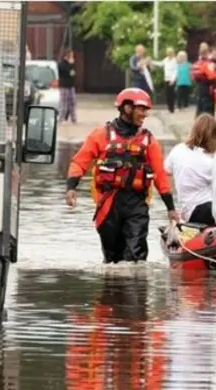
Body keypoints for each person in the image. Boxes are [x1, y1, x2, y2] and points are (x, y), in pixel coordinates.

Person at [65, 88, 179, 263]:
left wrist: (170, 208)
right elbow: (80, 161)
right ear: (127, 108)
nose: (145, 114)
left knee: (136, 255)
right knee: (112, 258)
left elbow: (160, 177)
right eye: (141, 109)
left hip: (137, 203)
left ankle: (136, 286)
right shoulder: (100, 135)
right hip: (108, 204)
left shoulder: (149, 141)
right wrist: (71, 187)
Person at [164, 113, 216, 226]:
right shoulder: (210, 162)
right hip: (207, 209)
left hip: (188, 210)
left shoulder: (178, 149)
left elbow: (166, 172)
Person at [191, 43, 216, 117]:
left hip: (206, 86)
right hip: (205, 86)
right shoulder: (205, 62)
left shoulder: (209, 62)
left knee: (204, 105)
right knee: (205, 105)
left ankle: (204, 121)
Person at [152, 47, 177, 114]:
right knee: (167, 94)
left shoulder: (174, 60)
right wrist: (152, 61)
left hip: (171, 80)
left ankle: (172, 109)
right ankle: (169, 108)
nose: (168, 54)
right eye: (167, 53)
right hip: (166, 79)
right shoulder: (166, 60)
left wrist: (173, 79)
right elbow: (160, 64)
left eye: (169, 53)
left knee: (171, 94)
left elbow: (175, 71)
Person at [57, 49, 77, 123]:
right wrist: (71, 65)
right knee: (64, 103)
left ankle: (73, 118)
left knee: (72, 102)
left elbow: (73, 73)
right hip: (64, 86)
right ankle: (61, 118)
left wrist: (72, 65)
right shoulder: (61, 64)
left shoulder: (71, 63)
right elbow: (70, 72)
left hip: (71, 85)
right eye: (71, 55)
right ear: (67, 55)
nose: (72, 57)